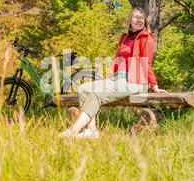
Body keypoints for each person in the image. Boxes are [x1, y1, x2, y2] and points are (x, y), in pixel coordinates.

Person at [58, 7, 168, 139]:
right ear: (129, 21)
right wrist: (109, 79)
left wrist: (154, 86)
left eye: (142, 17)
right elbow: (118, 60)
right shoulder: (124, 38)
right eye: (135, 17)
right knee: (83, 88)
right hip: (117, 78)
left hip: (135, 80)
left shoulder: (146, 38)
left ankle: (73, 131)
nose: (139, 19)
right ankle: (90, 130)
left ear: (144, 21)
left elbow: (147, 63)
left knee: (96, 94)